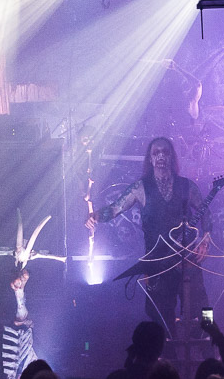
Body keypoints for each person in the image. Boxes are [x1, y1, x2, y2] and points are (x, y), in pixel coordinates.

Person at [86, 136, 210, 331]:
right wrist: (94, 216)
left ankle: (209, 340)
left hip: (187, 259)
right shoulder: (141, 188)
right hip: (157, 261)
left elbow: (205, 212)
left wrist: (205, 239)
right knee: (160, 316)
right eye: (156, 153)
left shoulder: (186, 186)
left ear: (172, 157)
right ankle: (166, 347)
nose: (161, 156)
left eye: (165, 152)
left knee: (203, 308)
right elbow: (115, 208)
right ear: (150, 159)